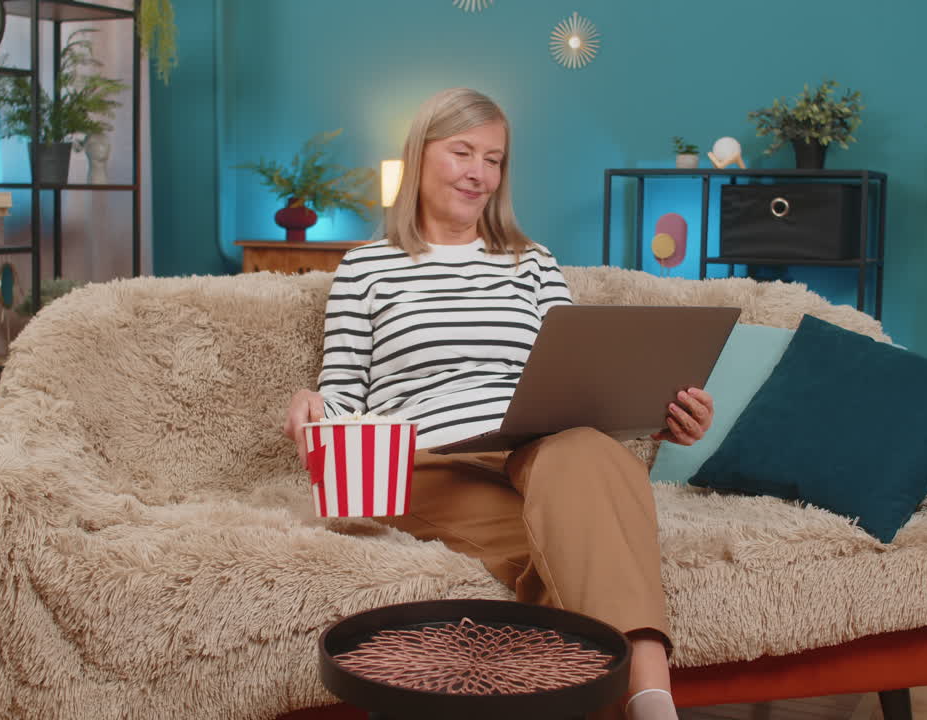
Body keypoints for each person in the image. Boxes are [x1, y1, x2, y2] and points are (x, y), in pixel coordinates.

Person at [282, 87, 714, 720]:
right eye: (462, 152)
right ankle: (649, 701)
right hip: (427, 464)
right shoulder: (366, 269)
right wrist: (312, 400)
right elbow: (346, 396)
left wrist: (659, 415)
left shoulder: (531, 263)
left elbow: (580, 374)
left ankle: (651, 697)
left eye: (494, 159)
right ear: (420, 156)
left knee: (586, 453)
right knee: (580, 543)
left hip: (540, 447)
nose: (479, 172)